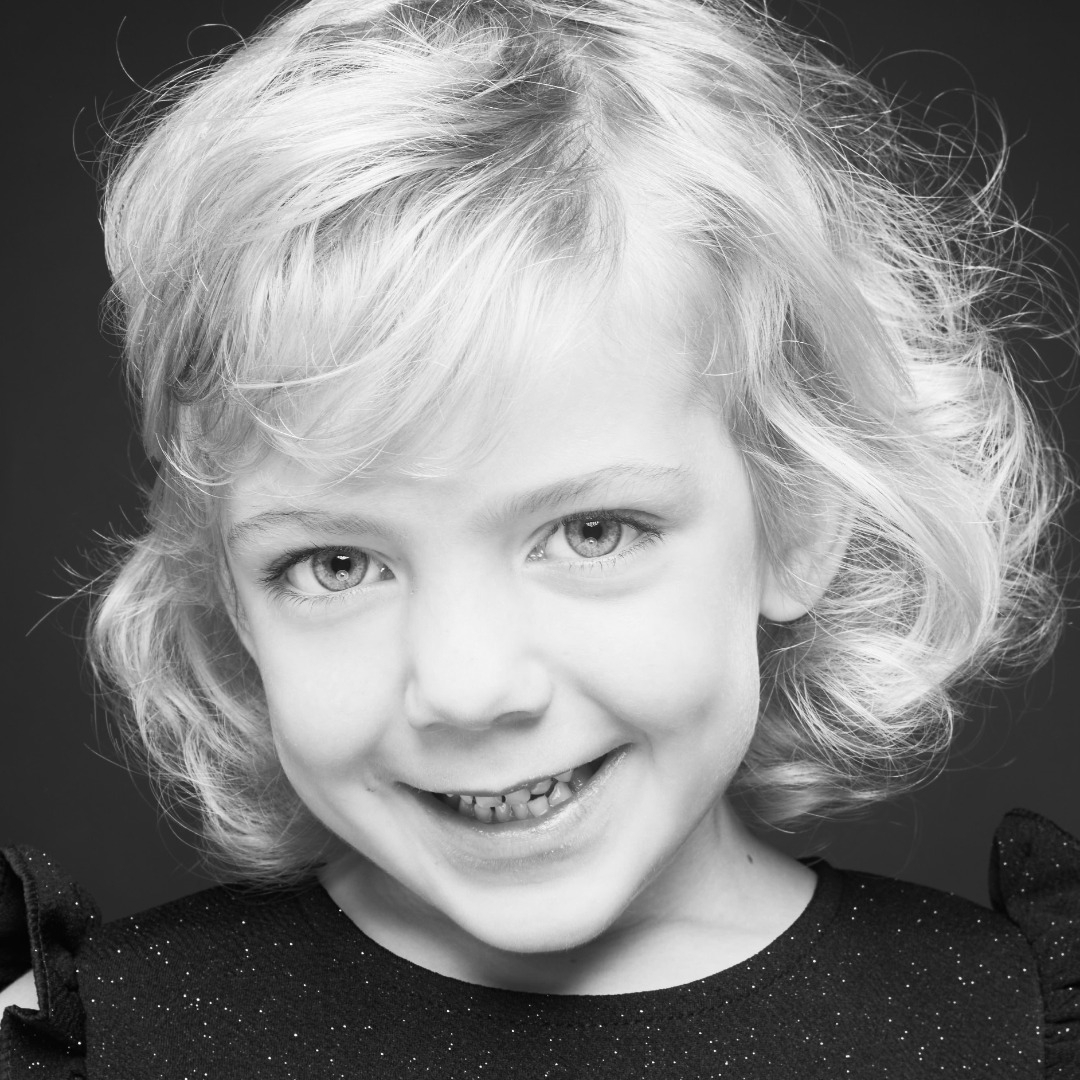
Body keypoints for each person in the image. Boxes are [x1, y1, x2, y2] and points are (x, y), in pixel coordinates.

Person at [1, 0, 1077, 1074]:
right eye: (337, 565)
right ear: (233, 597)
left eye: (591, 532)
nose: (467, 688)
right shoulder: (111, 1039)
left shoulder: (1004, 1025)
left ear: (797, 522)